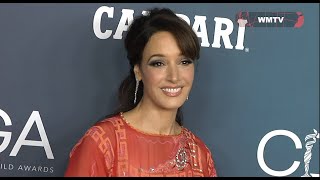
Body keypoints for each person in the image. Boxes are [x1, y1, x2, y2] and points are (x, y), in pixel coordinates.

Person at [64, 7, 217, 177]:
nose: (174, 77)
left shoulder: (200, 154)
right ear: (138, 70)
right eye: (159, 63)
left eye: (184, 62)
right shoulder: (103, 143)